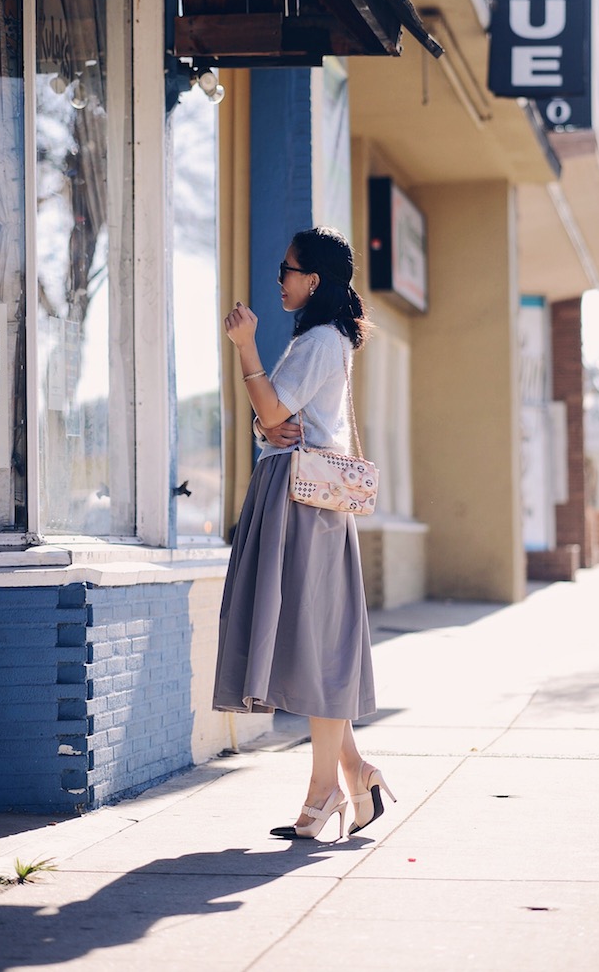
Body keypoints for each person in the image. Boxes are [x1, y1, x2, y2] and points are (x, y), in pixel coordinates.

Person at [213, 226, 395, 840]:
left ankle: (324, 795)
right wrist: (272, 423)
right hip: (299, 501)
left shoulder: (319, 340)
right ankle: (355, 775)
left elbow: (271, 412)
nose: (279, 278)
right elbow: (276, 421)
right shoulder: (321, 339)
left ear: (313, 280)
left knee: (319, 649)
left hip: (304, 506)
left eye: (287, 270)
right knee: (316, 646)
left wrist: (245, 346)